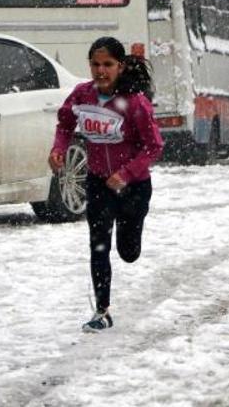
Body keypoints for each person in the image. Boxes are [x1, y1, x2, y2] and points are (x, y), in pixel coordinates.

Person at [49, 36, 163, 332]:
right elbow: (64, 124)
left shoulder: (134, 102)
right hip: (99, 183)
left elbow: (154, 146)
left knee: (128, 252)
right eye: (96, 64)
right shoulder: (81, 95)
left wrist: (125, 173)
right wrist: (58, 149)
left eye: (108, 65)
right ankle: (102, 310)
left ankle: (132, 238)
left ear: (120, 66)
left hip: (133, 188)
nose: (101, 71)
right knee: (98, 246)